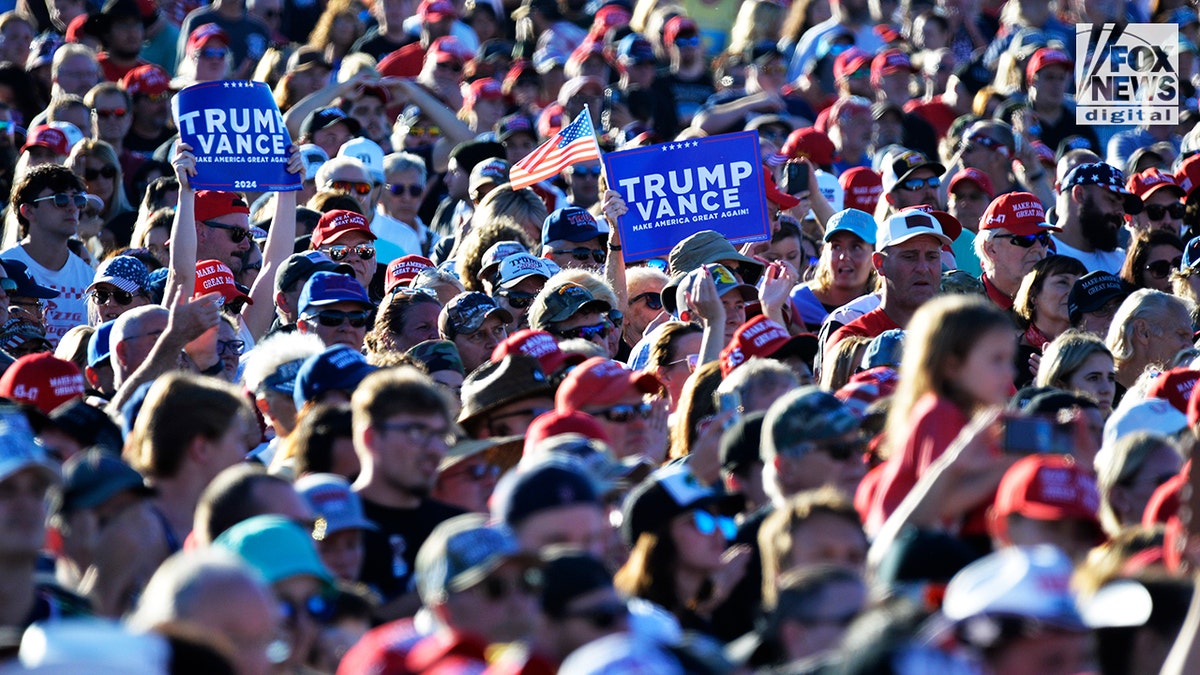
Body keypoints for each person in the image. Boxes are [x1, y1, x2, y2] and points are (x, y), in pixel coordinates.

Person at [866, 295, 1017, 535]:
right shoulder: (939, 411)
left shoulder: (962, 415)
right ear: (951, 366)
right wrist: (1009, 466)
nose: (1009, 372)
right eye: (996, 360)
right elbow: (942, 506)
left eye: (1010, 360)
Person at [351, 367, 464, 616]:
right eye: (418, 432)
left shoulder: (457, 530)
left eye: (440, 435)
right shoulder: (329, 526)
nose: (436, 449)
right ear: (371, 437)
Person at [614, 463, 746, 637]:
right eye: (701, 520)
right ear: (657, 539)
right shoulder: (629, 625)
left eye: (720, 519)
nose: (719, 532)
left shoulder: (698, 624)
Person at [824, 209, 954, 359]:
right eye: (909, 257)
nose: (923, 268)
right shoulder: (852, 340)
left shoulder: (960, 337)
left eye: (932, 256)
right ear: (879, 263)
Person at [2, 164, 95, 345]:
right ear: (28, 211)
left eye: (78, 200)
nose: (72, 208)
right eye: (59, 200)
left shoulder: (89, 276)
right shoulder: (4, 267)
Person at [790, 208, 876, 332]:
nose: (844, 256)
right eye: (836, 247)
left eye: (856, 247)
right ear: (824, 253)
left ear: (876, 257)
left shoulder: (883, 306)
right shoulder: (798, 303)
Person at [1051, 162, 1143, 274]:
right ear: (1079, 194)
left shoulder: (1121, 261)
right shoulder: (1039, 253)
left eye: (1123, 206)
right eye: (1112, 200)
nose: (1121, 212)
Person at [1012, 255, 1087, 387]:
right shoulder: (1010, 357)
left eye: (1079, 285)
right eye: (1063, 282)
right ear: (1033, 294)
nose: (1073, 292)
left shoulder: (1092, 355)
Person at [976, 192, 1058, 311]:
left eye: (1043, 238)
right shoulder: (964, 308)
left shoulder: (1060, 303)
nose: (1038, 247)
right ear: (991, 249)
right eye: (1025, 238)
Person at [1036, 330, 1117, 417]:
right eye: (1093, 378)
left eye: (1110, 378)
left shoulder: (1124, 428)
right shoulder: (1032, 429)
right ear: (1059, 387)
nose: (1107, 389)